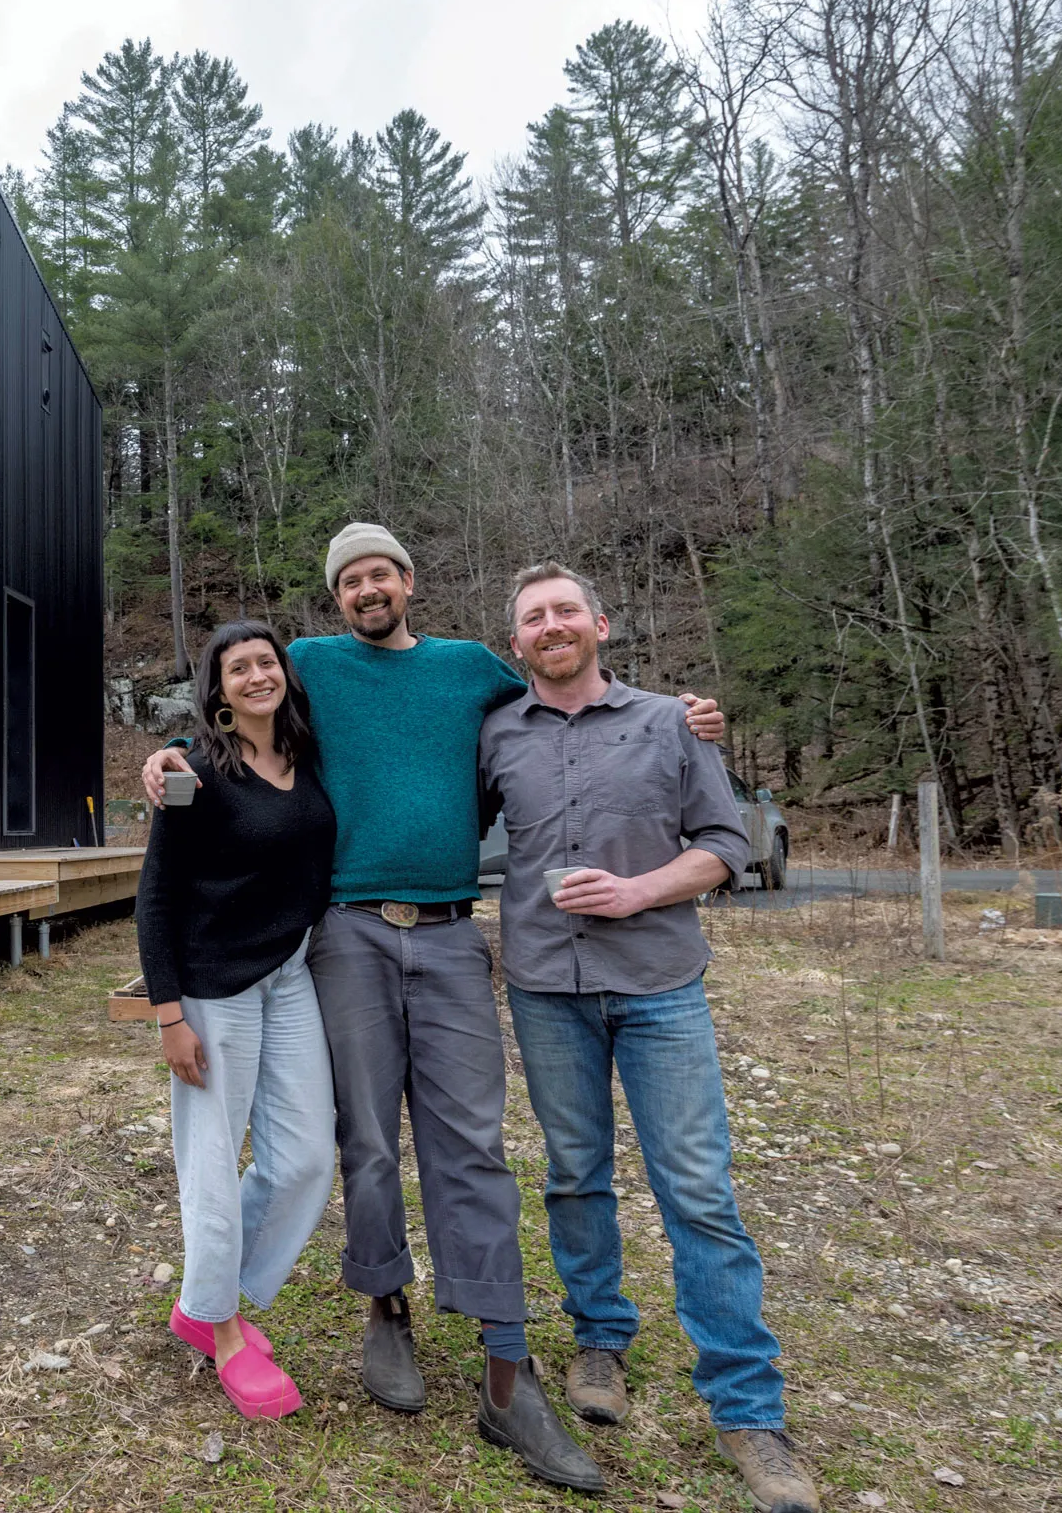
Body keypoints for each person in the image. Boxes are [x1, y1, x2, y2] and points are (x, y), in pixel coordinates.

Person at [143, 523, 725, 1491]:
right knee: (365, 1134)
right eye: (350, 578)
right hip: (348, 931)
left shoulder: (469, 669)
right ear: (335, 597)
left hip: (454, 932)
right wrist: (162, 759)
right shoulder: (314, 666)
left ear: (409, 581)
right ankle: (386, 1307)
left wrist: (677, 715)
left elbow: (561, 694)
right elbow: (234, 710)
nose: (368, 588)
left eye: (382, 572)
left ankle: (507, 1365)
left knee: (470, 1138)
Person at [481, 562, 821, 1513]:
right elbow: (429, 808)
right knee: (574, 1170)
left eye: (564, 611)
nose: (550, 626)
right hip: (546, 985)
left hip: (660, 984)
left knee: (699, 1189)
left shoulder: (671, 723)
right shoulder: (498, 730)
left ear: (599, 621)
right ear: (516, 642)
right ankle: (599, 1340)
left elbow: (727, 843)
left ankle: (750, 1413)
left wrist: (637, 890)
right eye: (532, 618)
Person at [135, 620, 337, 1421]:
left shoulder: (308, 752)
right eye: (237, 667)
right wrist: (167, 1013)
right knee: (213, 1160)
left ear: (284, 673)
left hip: (288, 976)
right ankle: (218, 1327)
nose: (256, 675)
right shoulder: (193, 771)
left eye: (266, 662)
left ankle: (207, 1294)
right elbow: (155, 895)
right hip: (213, 989)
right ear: (217, 689)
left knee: (306, 1157)